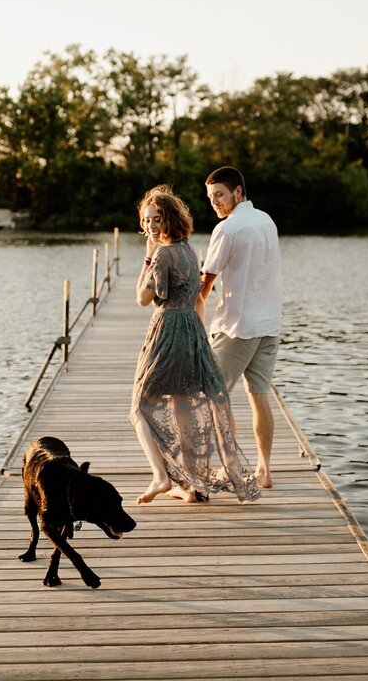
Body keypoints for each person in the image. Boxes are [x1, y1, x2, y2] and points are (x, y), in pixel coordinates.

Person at [130, 184, 261, 505]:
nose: (150, 226)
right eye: (146, 220)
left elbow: (143, 298)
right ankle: (193, 487)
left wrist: (147, 256)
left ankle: (161, 476)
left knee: (139, 408)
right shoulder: (190, 250)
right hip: (192, 329)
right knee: (184, 407)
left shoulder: (161, 253)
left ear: (170, 219)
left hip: (168, 329)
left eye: (156, 219)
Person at [198, 166, 282, 489]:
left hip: (238, 328)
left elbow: (208, 279)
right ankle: (264, 470)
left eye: (219, 195)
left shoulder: (227, 229)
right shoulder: (267, 221)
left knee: (214, 396)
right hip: (269, 324)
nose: (214, 203)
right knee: (259, 396)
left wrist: (194, 311)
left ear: (238, 191)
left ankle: (231, 469)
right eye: (210, 197)